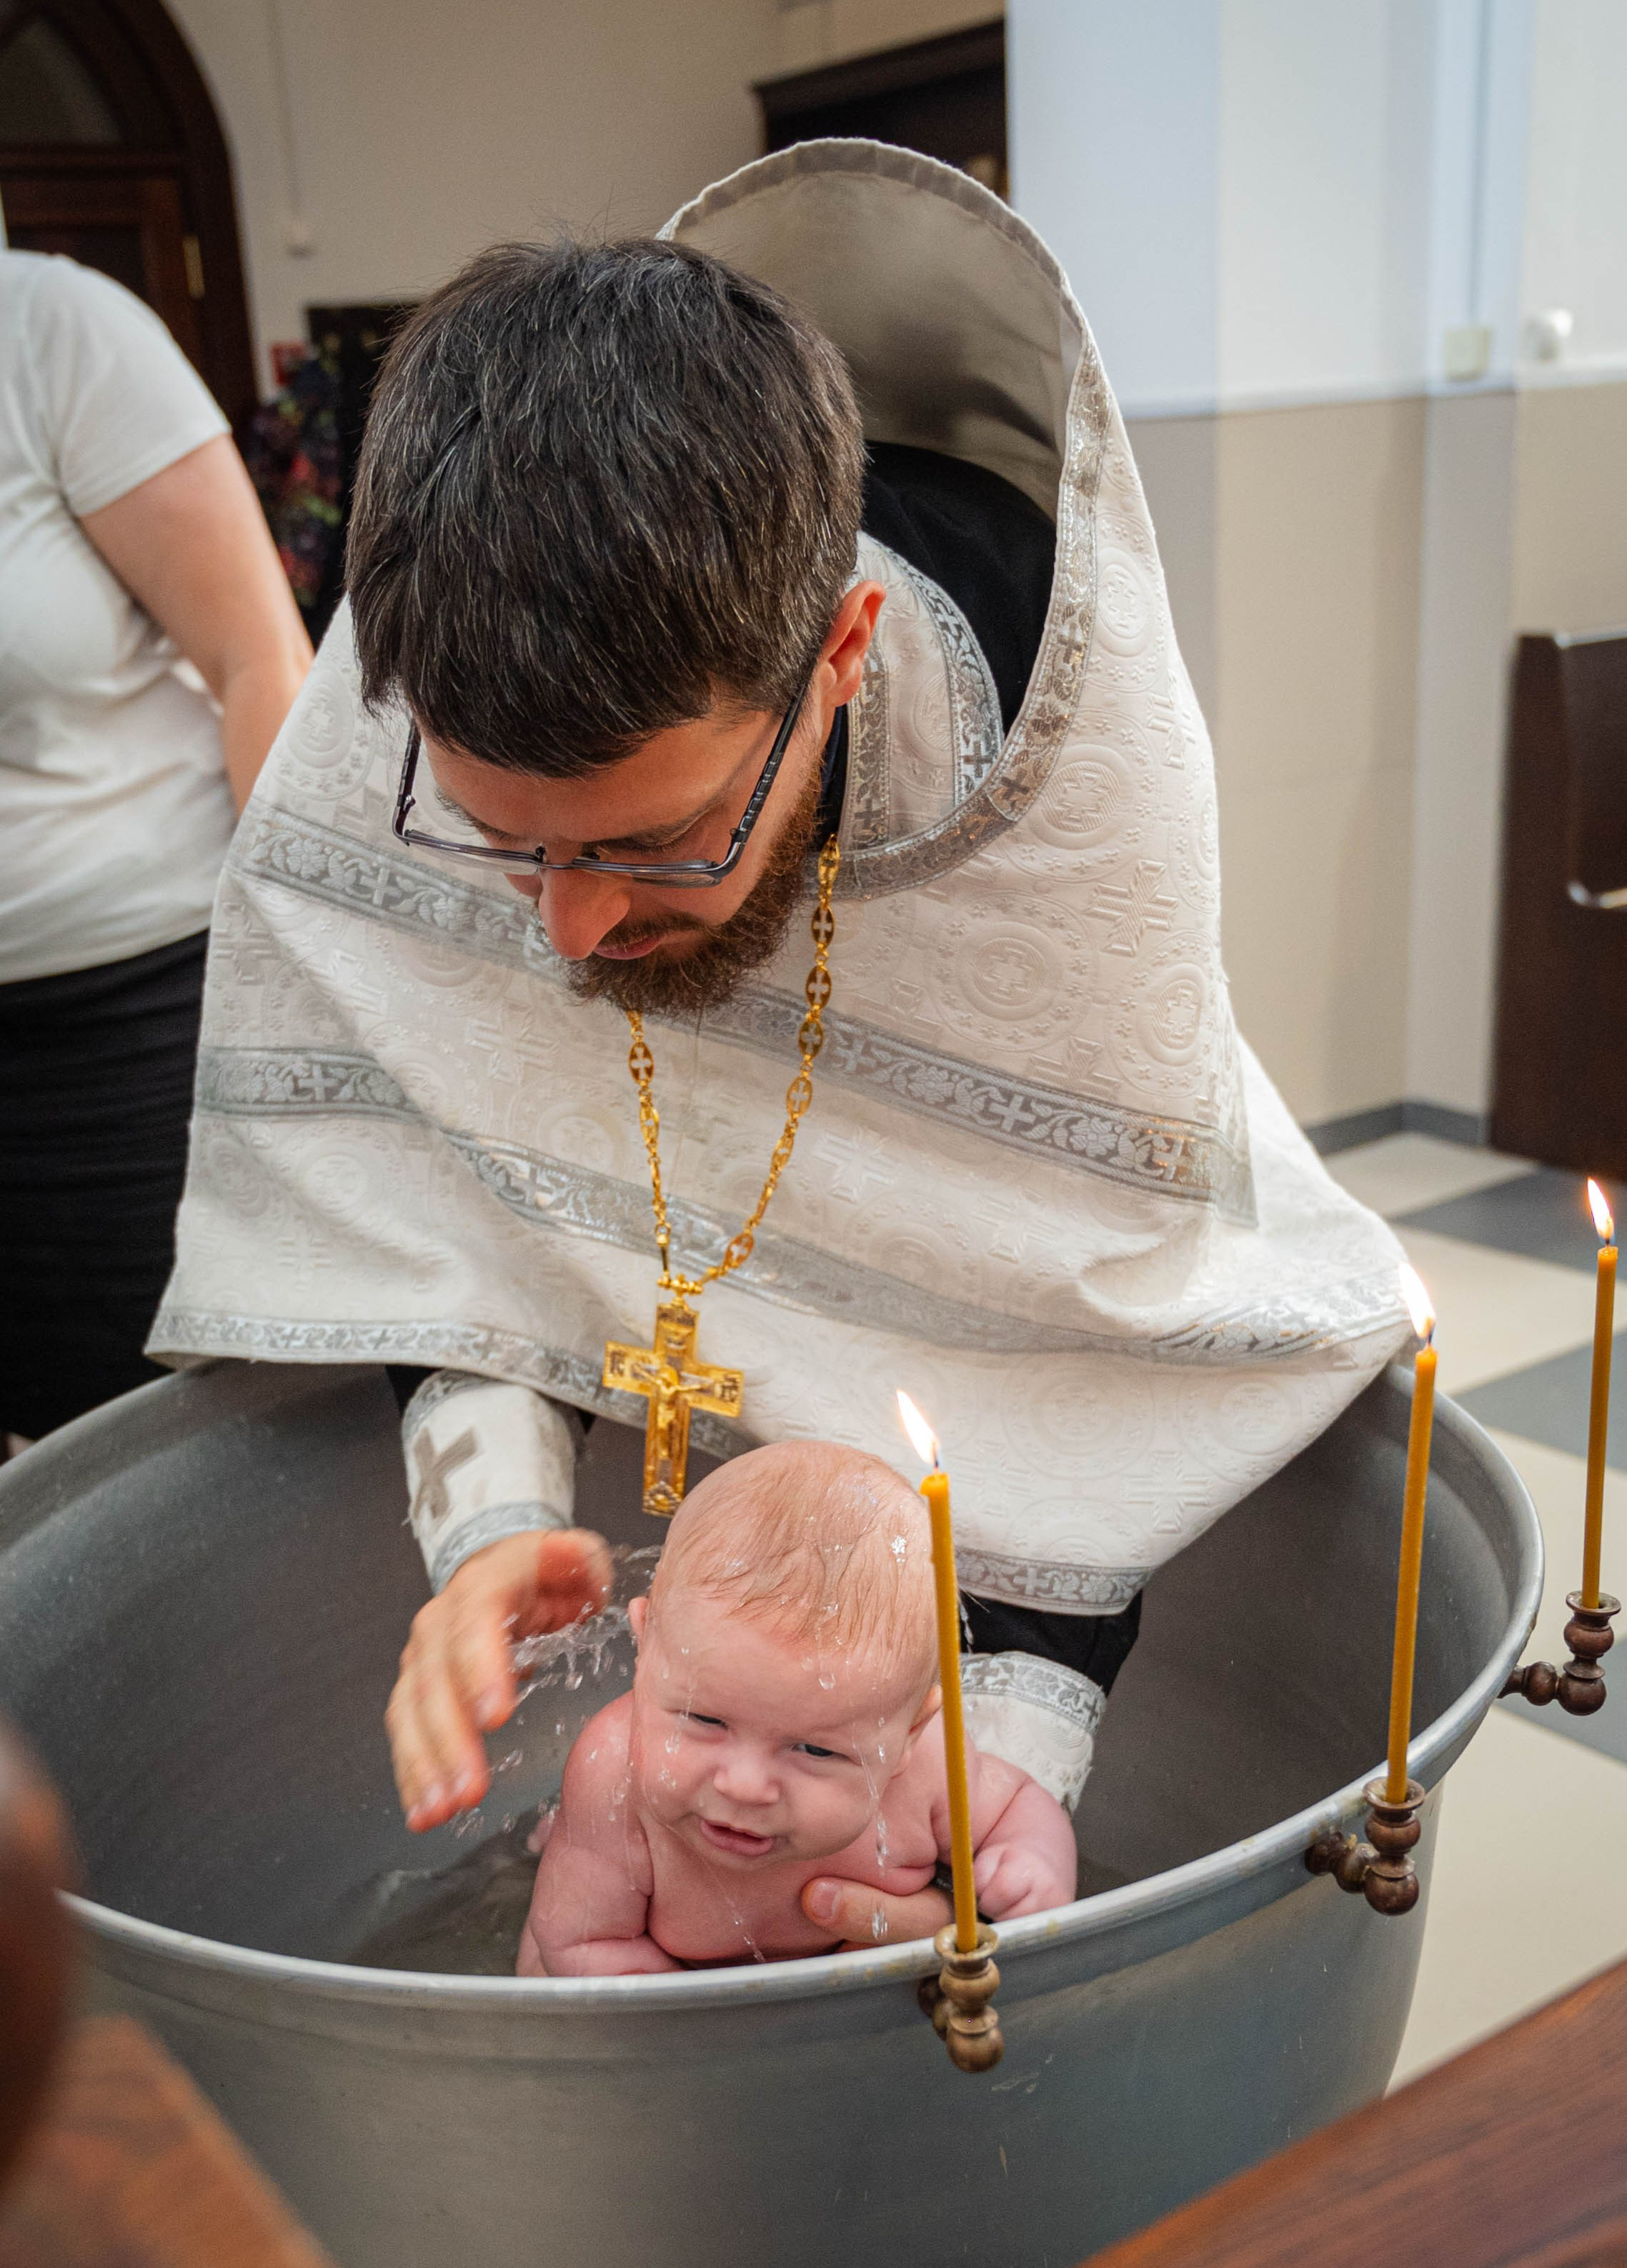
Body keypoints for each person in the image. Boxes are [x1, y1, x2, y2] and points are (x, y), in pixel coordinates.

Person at [154, 144, 1408, 1950]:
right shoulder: (426, 670)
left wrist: (1005, 1752)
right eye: (503, 842)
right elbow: (431, 1162)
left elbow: (1071, 1328)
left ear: (840, 653)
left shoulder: (1065, 796)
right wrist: (493, 1521)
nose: (566, 930)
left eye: (652, 841)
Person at [0, 250, 312, 1443]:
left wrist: (301, 987)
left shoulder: (56, 334)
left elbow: (259, 662)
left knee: (166, 1436)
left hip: (135, 1018)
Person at [517, 1441, 1077, 1975]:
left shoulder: (931, 1767)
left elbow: (1015, 1805)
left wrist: (1032, 1862)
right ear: (645, 1649)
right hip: (659, 1997)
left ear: (910, 1732)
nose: (745, 1786)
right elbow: (586, 1945)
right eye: (704, 1719)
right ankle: (567, 1836)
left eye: (814, 1749)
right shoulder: (612, 1773)